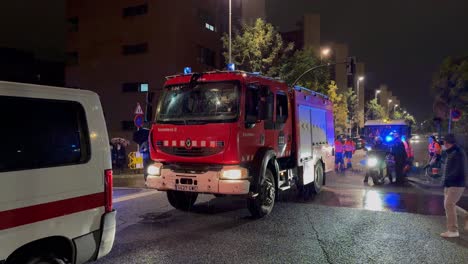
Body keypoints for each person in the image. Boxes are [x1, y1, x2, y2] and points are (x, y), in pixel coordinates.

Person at [440, 134, 467, 238]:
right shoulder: (453, 152)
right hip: (451, 183)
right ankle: (466, 216)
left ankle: (453, 230)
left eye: (444, 142)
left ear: (447, 143)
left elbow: (458, 170)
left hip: (456, 183)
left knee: (449, 204)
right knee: (449, 205)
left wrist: (447, 179)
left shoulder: (457, 153)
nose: (443, 145)